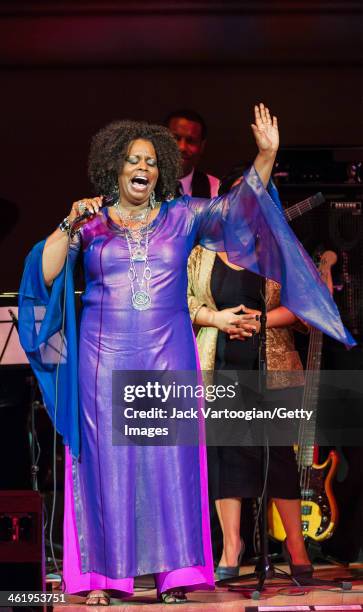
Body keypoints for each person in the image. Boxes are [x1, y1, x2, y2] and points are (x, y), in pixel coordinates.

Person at [18, 105, 354, 605]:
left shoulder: (183, 216)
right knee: (106, 467)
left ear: (162, 172)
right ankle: (101, 580)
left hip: (167, 358)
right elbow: (42, 275)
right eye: (133, 159)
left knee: (169, 466)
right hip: (101, 363)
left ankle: (174, 576)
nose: (143, 167)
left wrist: (266, 156)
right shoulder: (90, 224)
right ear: (115, 165)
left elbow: (240, 209)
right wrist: (69, 222)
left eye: (152, 161)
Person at [187, 168, 313, 578]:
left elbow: (306, 306)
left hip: (271, 363)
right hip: (220, 362)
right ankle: (231, 547)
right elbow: (183, 300)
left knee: (276, 455)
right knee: (226, 456)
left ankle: (295, 545)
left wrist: (262, 320)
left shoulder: (281, 248)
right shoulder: (200, 251)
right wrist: (217, 318)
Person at [165, 109, 220, 197]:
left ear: (202, 146)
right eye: (175, 138)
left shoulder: (215, 188)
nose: (182, 147)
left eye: (191, 141)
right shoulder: (142, 184)